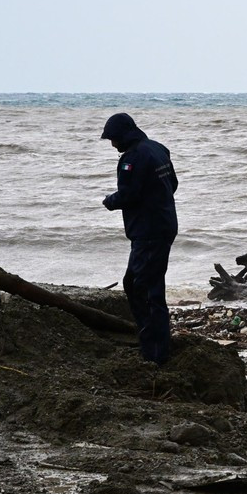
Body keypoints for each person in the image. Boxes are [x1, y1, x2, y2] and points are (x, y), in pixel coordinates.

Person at [100, 113, 179, 364]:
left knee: (143, 290)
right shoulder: (158, 149)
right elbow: (173, 183)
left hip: (149, 233)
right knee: (140, 285)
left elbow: (129, 195)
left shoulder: (132, 159)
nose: (112, 145)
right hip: (164, 225)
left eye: (113, 139)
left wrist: (110, 201)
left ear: (123, 135)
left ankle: (154, 353)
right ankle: (155, 345)